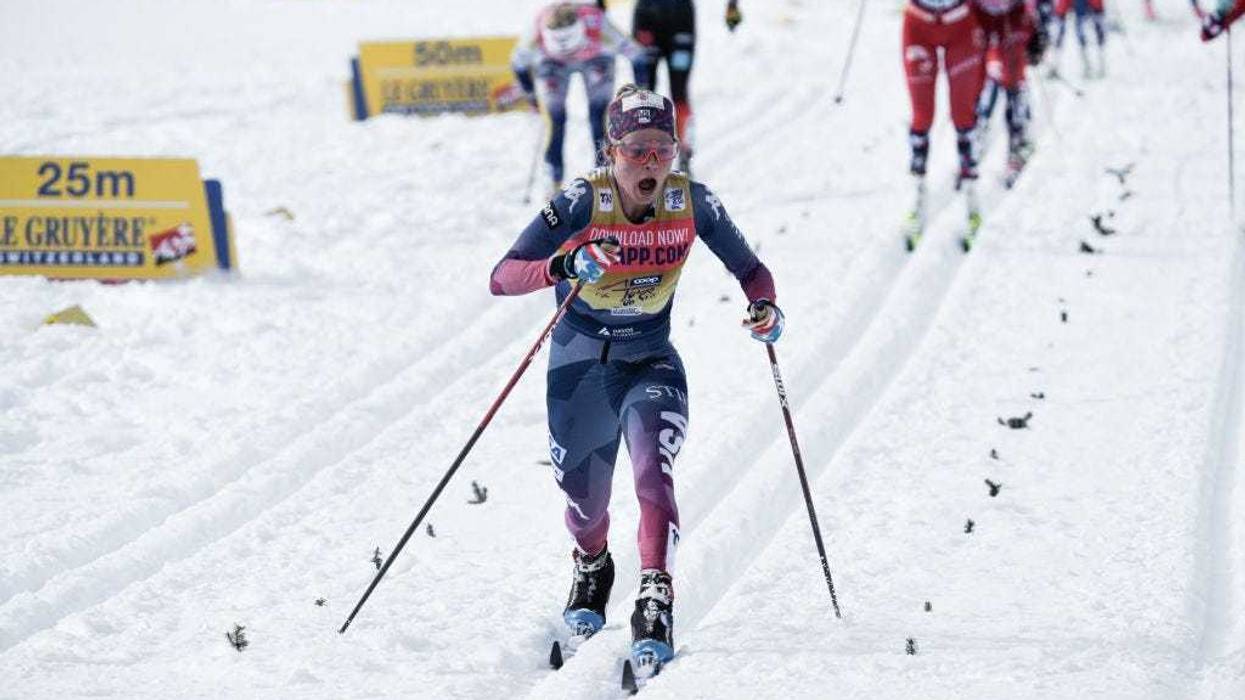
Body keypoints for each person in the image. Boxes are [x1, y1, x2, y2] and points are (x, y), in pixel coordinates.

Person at [489, 84, 783, 670]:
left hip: (649, 363)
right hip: (578, 368)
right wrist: (564, 264)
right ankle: (593, 564)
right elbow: (502, 276)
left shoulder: (693, 203)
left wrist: (766, 310)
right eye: (636, 150)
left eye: (662, 149)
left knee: (654, 474)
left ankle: (655, 596)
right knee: (583, 500)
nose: (649, 163)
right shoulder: (579, 202)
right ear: (610, 150)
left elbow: (753, 271)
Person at [510, 2, 648, 198]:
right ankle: (553, 177)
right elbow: (519, 63)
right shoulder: (536, 32)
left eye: (571, 48)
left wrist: (641, 92)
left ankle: (605, 175)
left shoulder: (598, 25)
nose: (570, 55)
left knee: (599, 116)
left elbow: (636, 54)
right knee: (554, 117)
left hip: (595, 58)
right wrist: (532, 96)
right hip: (552, 63)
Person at [596, 0, 744, 174]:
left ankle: (683, 158)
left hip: (674, 20)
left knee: (673, 94)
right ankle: (642, 156)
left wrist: (732, 7)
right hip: (653, 20)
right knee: (643, 98)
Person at [900, 0, 987, 250]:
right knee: (922, 115)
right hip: (919, 23)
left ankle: (971, 201)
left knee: (964, 114)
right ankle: (916, 197)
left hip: (961, 23)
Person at [973, 0, 1050, 183]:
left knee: (1015, 96)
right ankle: (975, 143)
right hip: (989, 22)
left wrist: (1035, 39)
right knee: (985, 95)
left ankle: (1017, 148)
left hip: (1015, 24)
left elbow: (1030, 18)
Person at [1051, 0, 1107, 78]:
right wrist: (1060, 12)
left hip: (1090, 9)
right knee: (1083, 34)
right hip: (1083, 8)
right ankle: (1089, 65)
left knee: (1092, 34)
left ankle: (1099, 64)